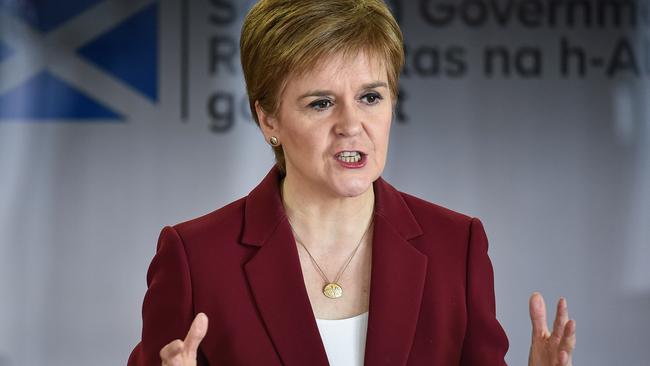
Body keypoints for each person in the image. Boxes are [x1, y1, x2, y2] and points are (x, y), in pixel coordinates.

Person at [128, 0, 576, 365]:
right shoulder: (195, 258)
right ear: (268, 119)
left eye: (370, 97)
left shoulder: (456, 246)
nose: (351, 124)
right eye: (321, 103)